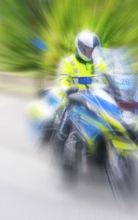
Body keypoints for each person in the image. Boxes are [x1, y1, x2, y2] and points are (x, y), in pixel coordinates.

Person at [54, 30, 101, 163]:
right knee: (68, 117)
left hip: (93, 99)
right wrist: (67, 89)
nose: (91, 53)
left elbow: (108, 74)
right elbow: (62, 79)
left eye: (93, 50)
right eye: (88, 50)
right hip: (73, 99)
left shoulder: (96, 63)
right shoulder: (69, 62)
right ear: (80, 48)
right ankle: (59, 149)